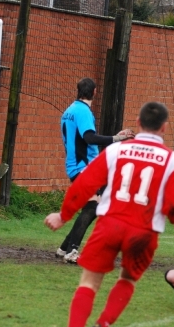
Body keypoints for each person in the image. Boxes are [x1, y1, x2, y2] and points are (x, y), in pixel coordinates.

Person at [45, 101, 174, 327]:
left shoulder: (116, 151)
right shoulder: (173, 160)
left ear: (138, 124)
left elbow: (85, 183)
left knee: (89, 282)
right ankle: (101, 326)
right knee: (126, 278)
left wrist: (63, 215)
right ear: (164, 127)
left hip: (110, 223)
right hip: (143, 232)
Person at [57, 77, 134, 263]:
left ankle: (65, 247)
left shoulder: (68, 111)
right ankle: (72, 251)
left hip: (77, 166)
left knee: (97, 205)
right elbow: (89, 138)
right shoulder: (82, 111)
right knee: (92, 207)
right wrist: (117, 138)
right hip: (84, 167)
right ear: (94, 92)